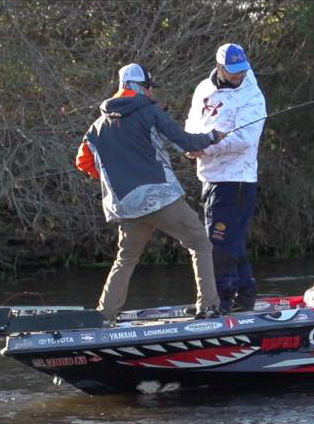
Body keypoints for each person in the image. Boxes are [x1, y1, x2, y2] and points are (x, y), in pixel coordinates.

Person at [75, 63, 226, 321]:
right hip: (160, 196)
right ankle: (209, 306)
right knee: (200, 242)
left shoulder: (96, 127)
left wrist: (117, 177)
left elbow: (82, 162)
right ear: (138, 88)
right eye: (149, 88)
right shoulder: (149, 112)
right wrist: (213, 135)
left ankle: (105, 314)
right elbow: (186, 141)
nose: (152, 93)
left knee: (126, 258)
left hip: (125, 204)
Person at [184, 43, 267, 312]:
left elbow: (245, 139)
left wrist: (205, 146)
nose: (237, 76)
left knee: (217, 242)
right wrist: (189, 143)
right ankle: (246, 294)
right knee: (232, 240)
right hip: (210, 176)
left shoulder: (252, 96)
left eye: (241, 70)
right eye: (232, 71)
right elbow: (191, 124)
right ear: (219, 67)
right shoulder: (203, 89)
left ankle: (220, 298)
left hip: (237, 179)